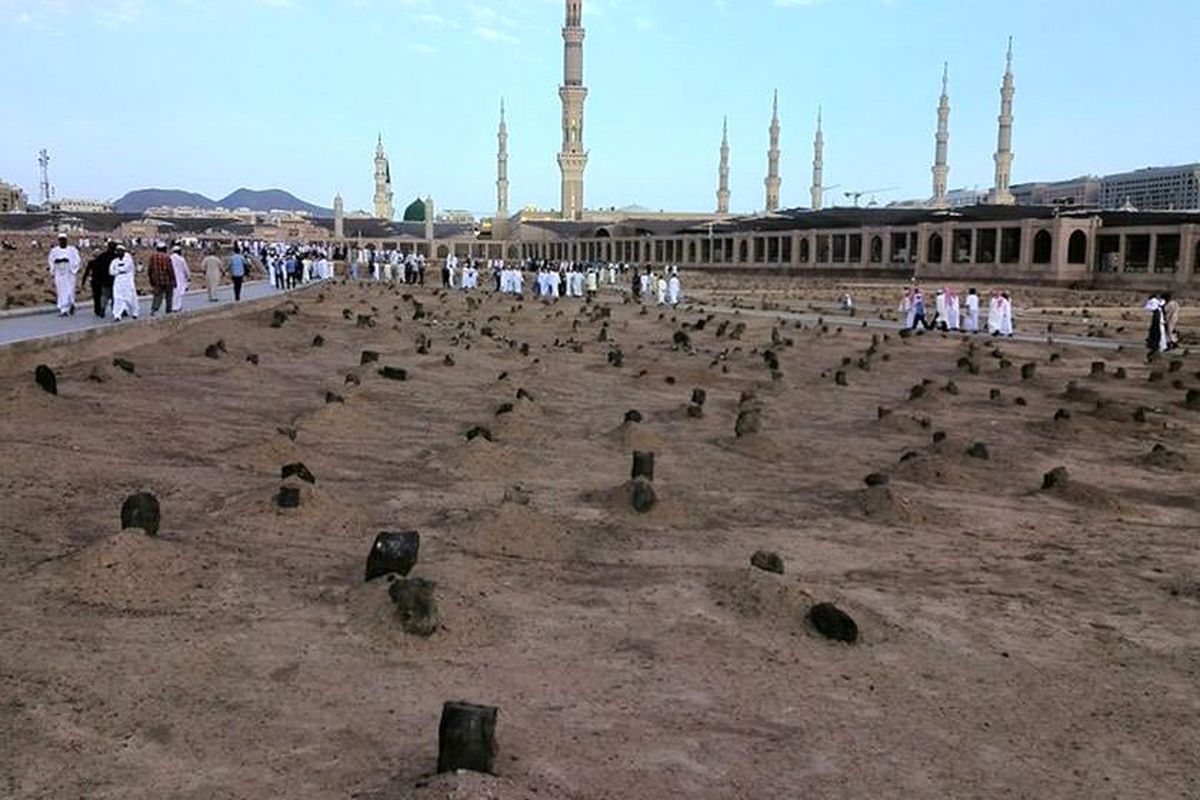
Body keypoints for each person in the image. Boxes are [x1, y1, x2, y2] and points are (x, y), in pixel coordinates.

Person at [81, 240, 118, 318]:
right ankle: (115, 310)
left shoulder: (102, 256)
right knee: (114, 296)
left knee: (103, 296)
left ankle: (101, 309)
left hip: (102, 280)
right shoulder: (116, 257)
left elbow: (97, 270)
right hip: (113, 280)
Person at [47, 233, 81, 316]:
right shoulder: (54, 250)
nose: (62, 241)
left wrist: (68, 262)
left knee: (70, 291)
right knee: (61, 291)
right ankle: (64, 310)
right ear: (59, 241)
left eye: (64, 240)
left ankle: (71, 304)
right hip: (59, 273)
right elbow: (51, 260)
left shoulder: (72, 250)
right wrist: (56, 263)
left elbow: (77, 260)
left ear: (66, 240)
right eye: (61, 240)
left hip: (69, 273)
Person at [109, 244, 139, 321]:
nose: (118, 252)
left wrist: (118, 270)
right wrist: (119, 271)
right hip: (118, 282)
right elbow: (111, 271)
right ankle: (117, 315)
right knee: (117, 298)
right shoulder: (114, 261)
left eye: (120, 251)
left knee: (130, 297)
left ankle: (135, 312)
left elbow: (125, 268)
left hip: (128, 282)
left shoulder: (129, 260)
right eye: (117, 251)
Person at [147, 242, 176, 316]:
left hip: (156, 281)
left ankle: (154, 309)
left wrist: (151, 280)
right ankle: (168, 311)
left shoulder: (152, 257)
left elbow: (149, 270)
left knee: (157, 296)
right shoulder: (167, 257)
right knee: (169, 296)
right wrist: (174, 280)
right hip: (167, 280)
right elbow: (170, 270)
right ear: (164, 249)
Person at [169, 245, 190, 312]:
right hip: (180, 278)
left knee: (173, 293)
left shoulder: (169, 258)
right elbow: (185, 269)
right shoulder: (181, 259)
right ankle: (177, 307)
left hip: (171, 277)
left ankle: (173, 306)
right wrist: (188, 276)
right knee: (179, 293)